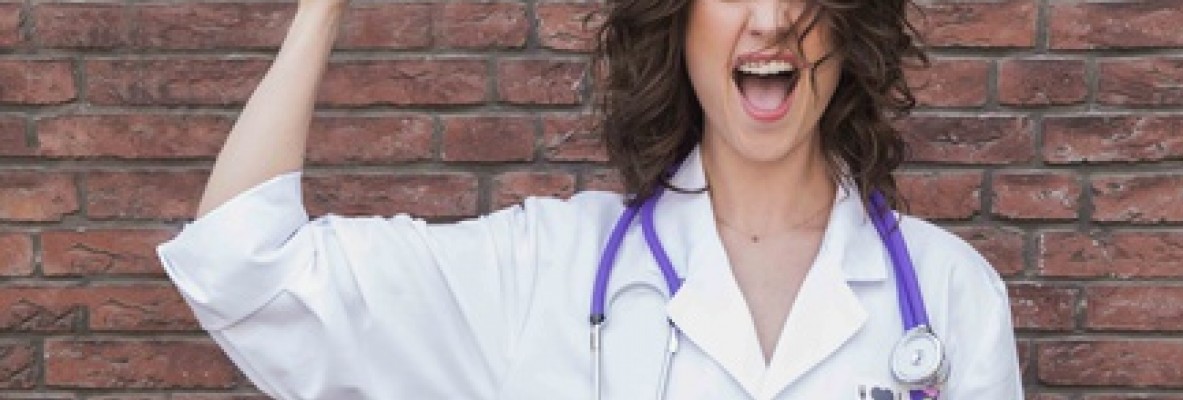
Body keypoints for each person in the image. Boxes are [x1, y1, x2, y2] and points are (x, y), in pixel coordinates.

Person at [157, 0, 1024, 398]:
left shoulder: (949, 296)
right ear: (678, 19)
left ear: (849, 23)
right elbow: (245, 266)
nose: (769, 19)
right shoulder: (544, 272)